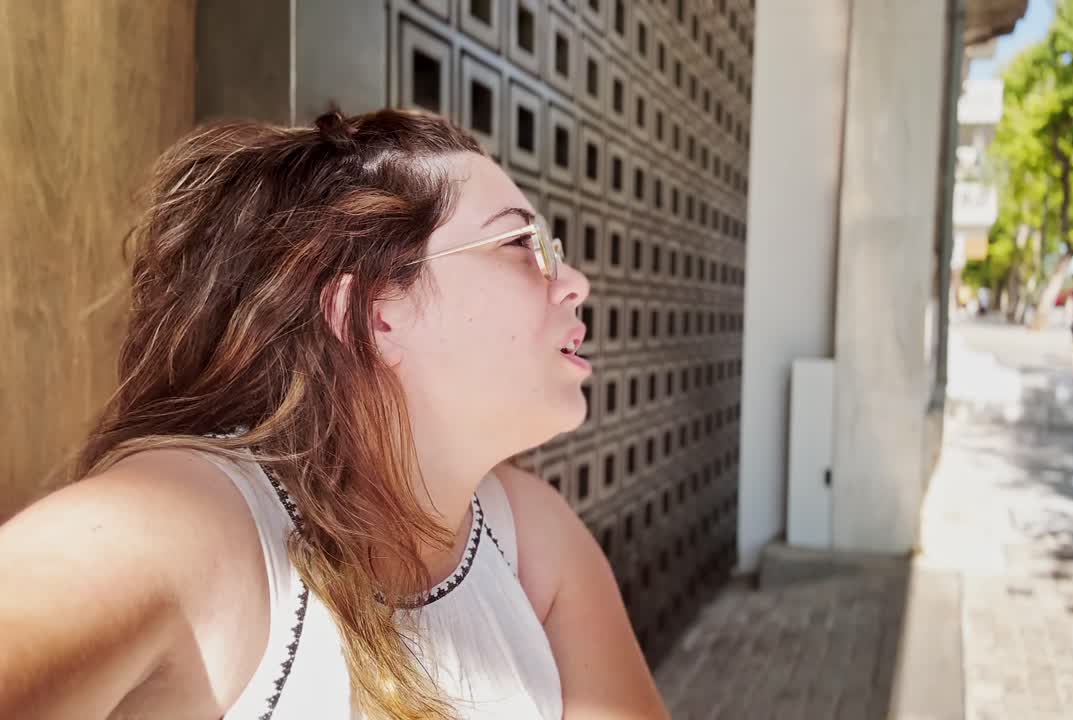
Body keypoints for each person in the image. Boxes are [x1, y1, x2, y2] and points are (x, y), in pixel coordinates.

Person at [0, 109, 668, 720]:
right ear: (372, 313)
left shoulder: (534, 539)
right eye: (522, 245)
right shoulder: (194, 524)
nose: (576, 282)